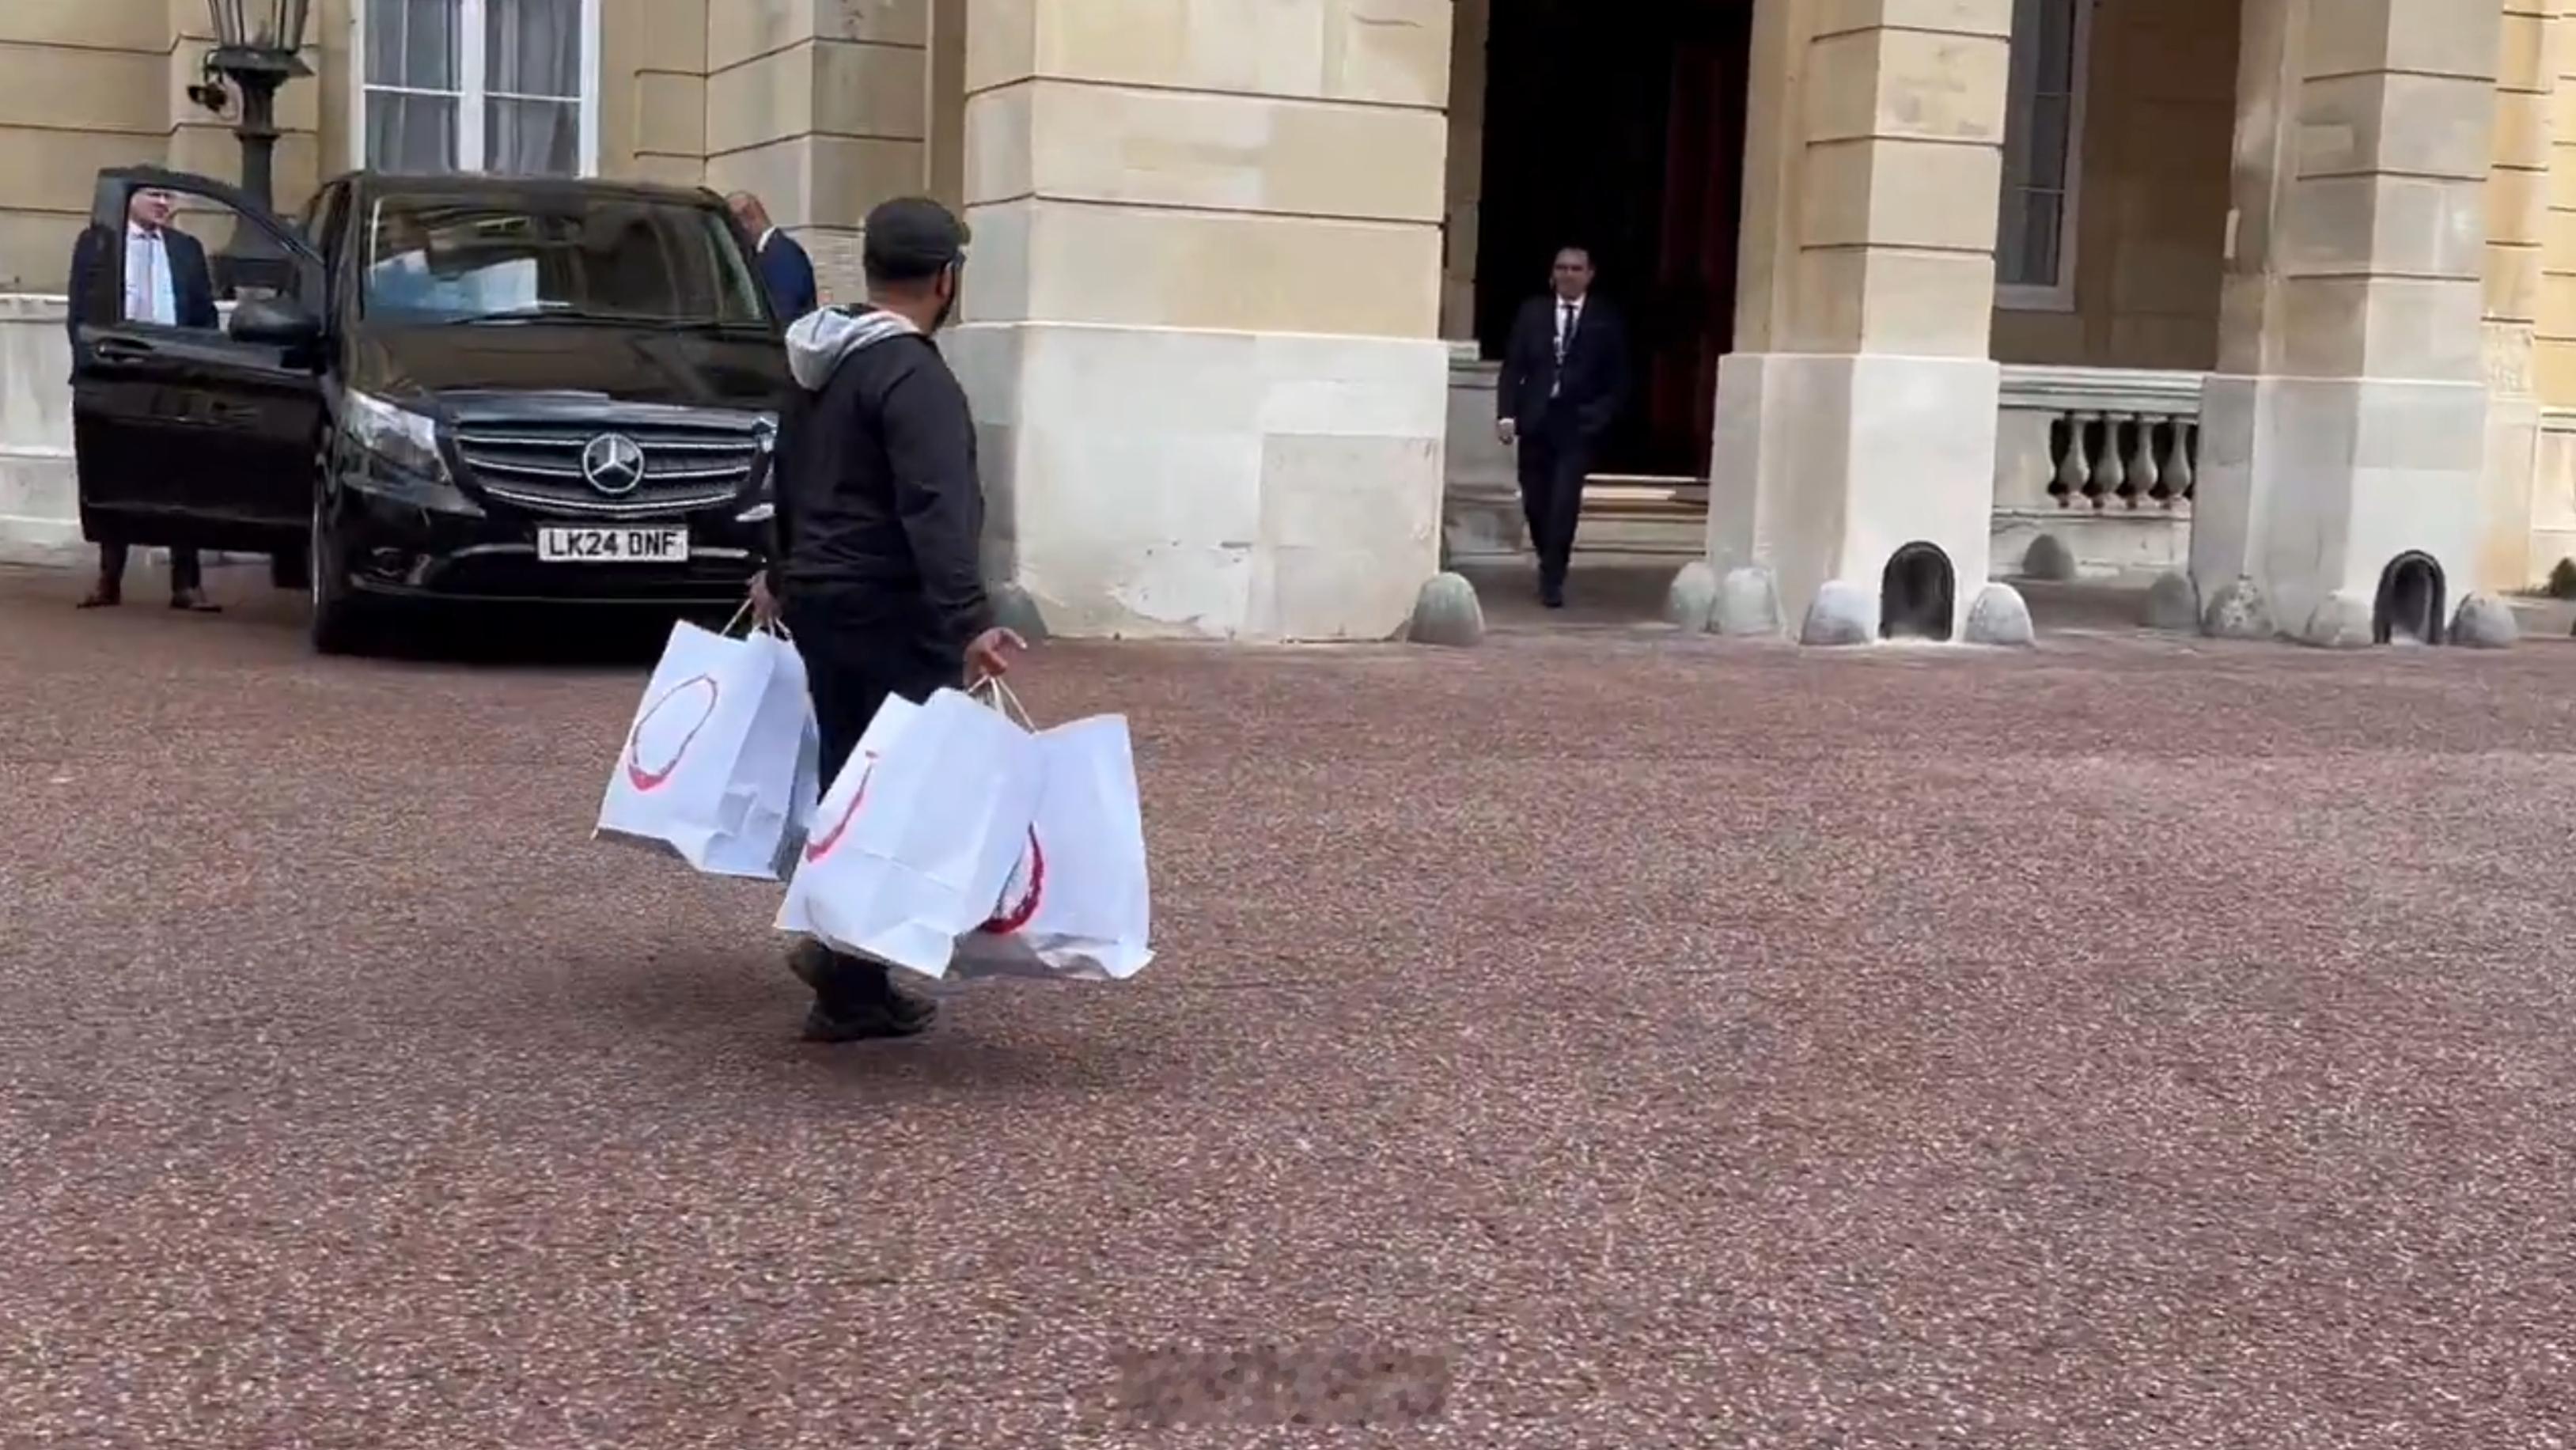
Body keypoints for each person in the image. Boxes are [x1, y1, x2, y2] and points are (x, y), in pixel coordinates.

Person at [752, 195, 1025, 1043]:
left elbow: (788, 477)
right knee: (895, 795)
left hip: (824, 600)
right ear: (946, 279)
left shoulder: (820, 360)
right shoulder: (915, 376)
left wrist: (780, 571)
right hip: (890, 606)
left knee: (848, 782)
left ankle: (845, 963)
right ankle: (847, 980)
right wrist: (969, 618)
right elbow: (935, 506)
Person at [66, 186, 222, 611]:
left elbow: (204, 316)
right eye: (154, 195)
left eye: (169, 197)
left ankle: (186, 583)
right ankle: (109, 579)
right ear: (130, 199)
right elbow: (79, 312)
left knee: (183, 478)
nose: (163, 204)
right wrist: (91, 367)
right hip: (120, 374)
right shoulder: (99, 244)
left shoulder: (187, 249)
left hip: (176, 377)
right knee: (115, 473)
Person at [1496, 245, 1629, 609]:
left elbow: (1618, 378)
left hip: (1577, 425)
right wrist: (1506, 413)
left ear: (1590, 274)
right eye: (1562, 268)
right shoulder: (1533, 313)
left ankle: (1553, 577)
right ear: (1552, 273)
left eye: (1576, 269)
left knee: (1563, 503)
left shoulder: (1605, 318)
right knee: (1536, 501)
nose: (1568, 275)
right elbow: (1514, 366)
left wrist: (1598, 416)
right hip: (1536, 419)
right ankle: (1547, 555)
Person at [727, 191, 817, 320]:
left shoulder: (782, 255)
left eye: (732, 226)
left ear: (748, 218)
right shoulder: (772, 251)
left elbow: (784, 312)